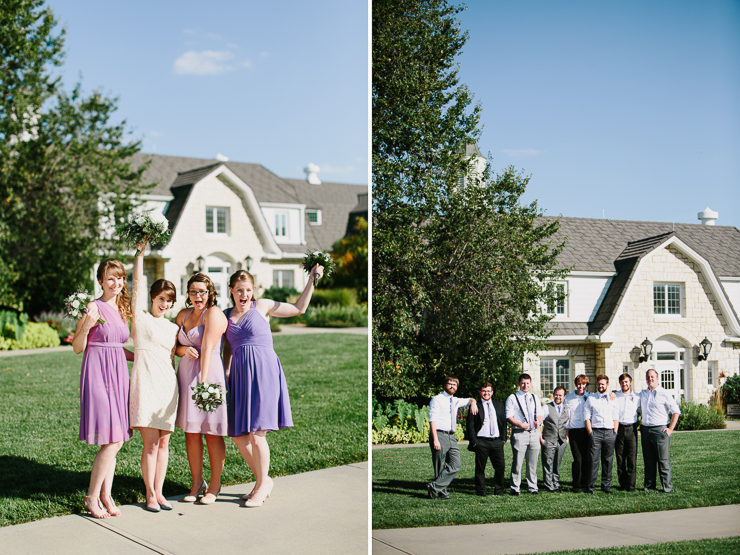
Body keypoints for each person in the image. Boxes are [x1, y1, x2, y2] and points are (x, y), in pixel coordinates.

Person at [222, 266, 323, 507]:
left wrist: (311, 279)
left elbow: (300, 308)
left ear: (253, 291)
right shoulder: (225, 315)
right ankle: (264, 480)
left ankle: (260, 488)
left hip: (265, 373)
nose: (244, 295)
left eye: (248, 290)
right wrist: (225, 376)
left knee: (257, 434)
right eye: (239, 290)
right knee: (238, 436)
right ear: (231, 291)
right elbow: (227, 349)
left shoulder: (263, 306)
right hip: (239, 377)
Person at [72, 259, 133, 519]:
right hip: (98, 373)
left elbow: (118, 347)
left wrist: (143, 356)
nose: (116, 283)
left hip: (118, 373)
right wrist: (86, 325)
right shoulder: (92, 306)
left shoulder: (120, 308)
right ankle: (91, 497)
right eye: (110, 278)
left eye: (120, 278)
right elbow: (77, 346)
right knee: (114, 440)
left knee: (115, 437)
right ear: (100, 281)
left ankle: (106, 495)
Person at [128, 240, 180, 512]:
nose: (165, 304)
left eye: (169, 301)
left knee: (163, 444)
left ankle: (160, 493)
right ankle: (149, 494)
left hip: (167, 387)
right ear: (152, 297)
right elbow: (136, 282)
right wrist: (140, 254)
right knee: (149, 444)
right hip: (145, 384)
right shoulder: (140, 317)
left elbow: (173, 355)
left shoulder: (172, 328)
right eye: (162, 299)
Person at [174, 273, 228, 505]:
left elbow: (207, 348)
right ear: (188, 293)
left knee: (211, 432)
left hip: (208, 377)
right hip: (185, 377)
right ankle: (197, 483)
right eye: (194, 292)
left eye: (203, 292)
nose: (198, 296)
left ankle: (214, 485)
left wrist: (203, 385)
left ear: (210, 292)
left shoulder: (214, 313)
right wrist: (183, 351)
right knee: (191, 433)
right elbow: (173, 347)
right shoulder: (182, 315)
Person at [427, 376, 477, 499]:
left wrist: (474, 403)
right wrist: (435, 439)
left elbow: (470, 399)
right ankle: (442, 492)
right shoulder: (437, 399)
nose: (452, 386)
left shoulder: (455, 400)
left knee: (456, 465)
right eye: (449, 384)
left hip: (452, 436)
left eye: (454, 385)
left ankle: (434, 487)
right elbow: (432, 420)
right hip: (439, 434)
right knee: (439, 466)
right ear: (445, 385)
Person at [639, 369, 681, 493]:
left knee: (663, 461)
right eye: (648, 377)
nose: (650, 379)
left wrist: (670, 429)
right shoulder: (643, 393)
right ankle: (649, 485)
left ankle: (666, 487)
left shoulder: (664, 393)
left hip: (660, 431)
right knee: (649, 461)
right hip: (646, 431)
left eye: (652, 377)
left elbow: (676, 411)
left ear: (657, 379)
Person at [466, 382, 507, 496]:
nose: (486, 393)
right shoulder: (476, 405)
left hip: (497, 441)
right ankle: (481, 491)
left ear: (492, 392)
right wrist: (474, 442)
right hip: (481, 442)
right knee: (480, 469)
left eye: (488, 391)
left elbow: (503, 423)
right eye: (484, 391)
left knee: (500, 467)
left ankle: (499, 490)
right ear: (480, 392)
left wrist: (503, 439)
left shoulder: (499, 405)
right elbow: (470, 426)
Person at [505, 373, 543, 495]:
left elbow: (540, 414)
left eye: (527, 383)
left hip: (534, 433)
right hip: (519, 433)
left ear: (530, 383)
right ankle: (515, 487)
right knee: (517, 462)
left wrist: (539, 421)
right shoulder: (512, 397)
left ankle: (532, 487)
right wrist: (521, 425)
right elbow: (508, 416)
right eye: (523, 383)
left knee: (532, 463)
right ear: (519, 384)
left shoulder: (534, 397)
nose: (525, 385)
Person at [584, 374, 619, 494]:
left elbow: (616, 416)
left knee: (608, 461)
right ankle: (590, 487)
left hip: (610, 432)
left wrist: (615, 432)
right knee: (593, 460)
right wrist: (591, 433)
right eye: (599, 384)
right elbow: (587, 417)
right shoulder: (591, 399)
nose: (600, 386)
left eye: (603, 384)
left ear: (607, 385)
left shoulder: (613, 398)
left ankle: (606, 487)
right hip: (596, 432)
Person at [564, 374, 592, 493]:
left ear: (586, 385)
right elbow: (566, 417)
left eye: (584, 384)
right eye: (579, 384)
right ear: (576, 384)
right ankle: (576, 484)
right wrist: (566, 434)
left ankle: (585, 483)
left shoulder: (590, 397)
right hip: (574, 432)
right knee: (578, 459)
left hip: (587, 431)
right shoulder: (569, 398)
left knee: (586, 458)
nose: (581, 386)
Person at [540, 386, 569, 493]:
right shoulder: (546, 407)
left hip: (561, 441)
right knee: (548, 463)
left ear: (564, 396)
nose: (557, 397)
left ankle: (556, 484)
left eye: (560, 395)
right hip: (549, 439)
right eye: (556, 394)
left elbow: (568, 424)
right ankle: (548, 485)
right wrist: (541, 439)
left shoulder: (567, 409)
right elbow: (539, 422)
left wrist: (567, 439)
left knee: (557, 463)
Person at [614, 373, 640, 492]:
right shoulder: (615, 396)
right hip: (619, 428)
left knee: (631, 458)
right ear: (620, 384)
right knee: (620, 458)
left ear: (630, 382)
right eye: (622, 382)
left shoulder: (637, 397)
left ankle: (631, 485)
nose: (624, 384)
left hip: (631, 429)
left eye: (626, 382)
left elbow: (642, 410)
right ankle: (622, 484)